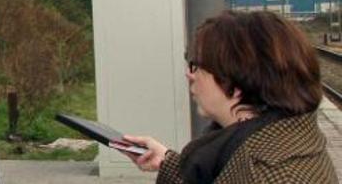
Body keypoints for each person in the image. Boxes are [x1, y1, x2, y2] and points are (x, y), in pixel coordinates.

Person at [124, 10, 338, 183]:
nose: (189, 75)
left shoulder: (264, 174)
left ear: (235, 83)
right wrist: (164, 161)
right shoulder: (283, 139)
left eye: (196, 65)